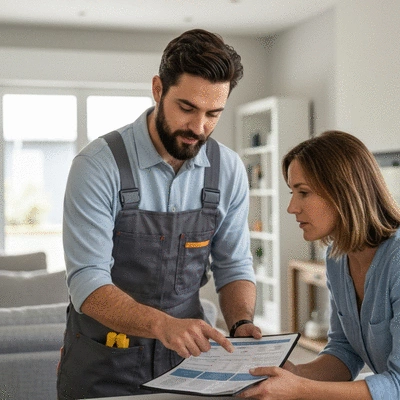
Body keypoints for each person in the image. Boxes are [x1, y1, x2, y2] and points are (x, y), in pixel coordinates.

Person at [57, 28, 262, 399]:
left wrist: (241, 321)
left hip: (188, 365)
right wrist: (162, 325)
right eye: (187, 109)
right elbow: (86, 282)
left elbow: (234, 266)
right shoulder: (97, 166)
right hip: (105, 363)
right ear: (157, 90)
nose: (199, 128)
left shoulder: (228, 170)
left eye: (213, 114)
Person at [239, 130, 400, 400]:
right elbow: (344, 351)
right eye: (293, 192)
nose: (292, 207)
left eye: (303, 193)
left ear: (343, 192)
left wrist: (299, 389)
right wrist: (294, 375)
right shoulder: (337, 257)